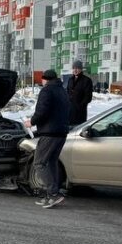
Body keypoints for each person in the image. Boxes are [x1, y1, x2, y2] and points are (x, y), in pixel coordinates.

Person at [26, 69, 71, 209]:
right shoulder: (62, 91)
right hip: (61, 133)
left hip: (50, 133)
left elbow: (42, 111)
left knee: (39, 163)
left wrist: (31, 122)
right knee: (51, 163)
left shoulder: (47, 91)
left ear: (46, 79)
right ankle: (51, 196)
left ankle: (53, 194)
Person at [67, 60, 94, 126]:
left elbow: (88, 97)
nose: (75, 70)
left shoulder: (86, 80)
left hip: (80, 113)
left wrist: (80, 106)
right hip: (69, 112)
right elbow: (67, 93)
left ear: (81, 69)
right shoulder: (70, 80)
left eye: (77, 68)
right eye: (73, 68)